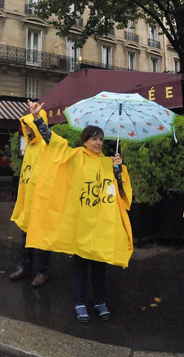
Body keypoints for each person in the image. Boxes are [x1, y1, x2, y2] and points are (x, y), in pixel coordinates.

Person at [25, 100, 133, 323]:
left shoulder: (108, 163)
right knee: (80, 266)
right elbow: (53, 143)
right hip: (81, 224)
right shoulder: (75, 157)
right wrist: (37, 118)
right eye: (94, 138)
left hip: (101, 226)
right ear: (84, 141)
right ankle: (80, 302)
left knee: (100, 267)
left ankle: (100, 301)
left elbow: (122, 195)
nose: (98, 142)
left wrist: (119, 171)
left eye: (101, 139)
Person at [9, 110, 51, 287]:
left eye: (28, 124)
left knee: (41, 239)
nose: (26, 128)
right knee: (26, 236)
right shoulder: (30, 146)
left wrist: (38, 118)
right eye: (25, 125)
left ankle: (43, 271)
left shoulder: (46, 145)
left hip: (42, 201)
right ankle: (26, 266)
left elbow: (50, 138)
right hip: (28, 200)